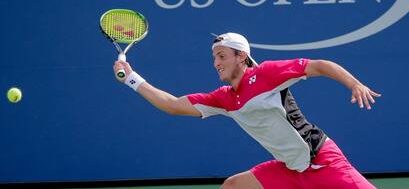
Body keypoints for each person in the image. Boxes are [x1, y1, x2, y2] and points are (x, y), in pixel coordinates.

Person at [113, 32, 381, 189]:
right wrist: (131, 79)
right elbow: (172, 106)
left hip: (322, 160)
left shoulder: (266, 74)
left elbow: (320, 65)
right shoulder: (224, 99)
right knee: (232, 186)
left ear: (241, 56)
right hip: (289, 169)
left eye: (222, 56)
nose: (216, 63)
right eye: (214, 58)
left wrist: (354, 84)